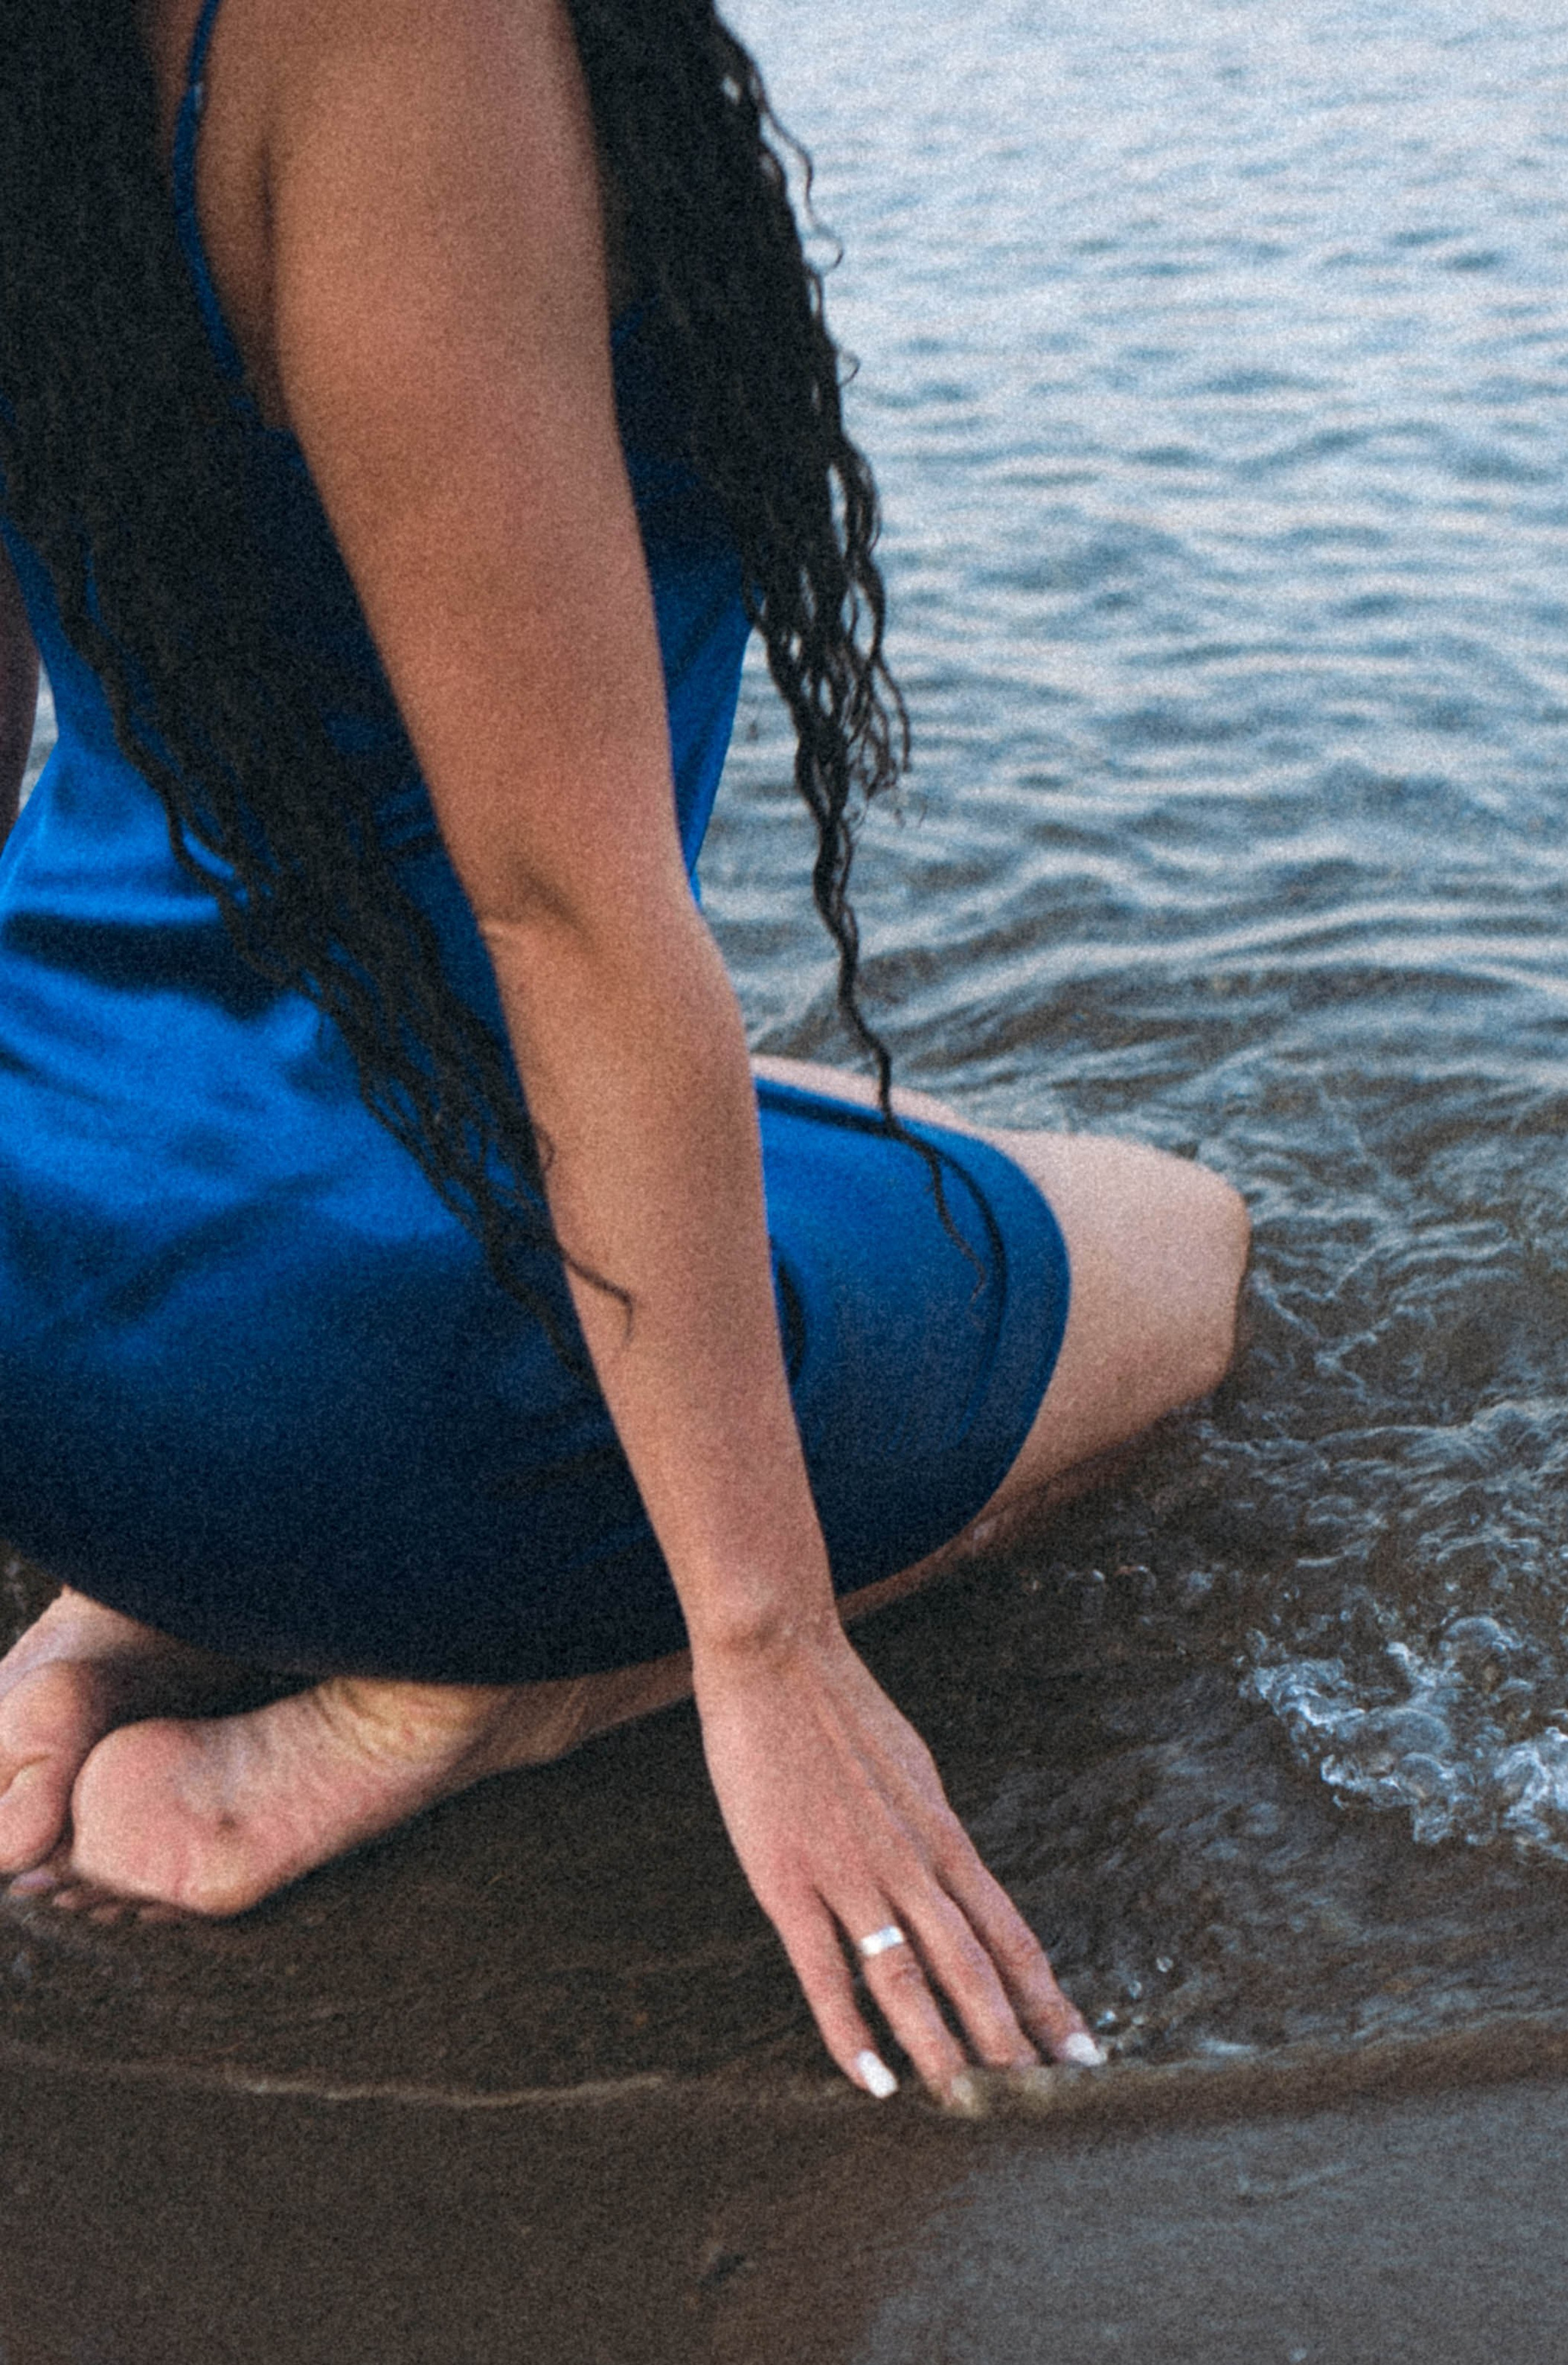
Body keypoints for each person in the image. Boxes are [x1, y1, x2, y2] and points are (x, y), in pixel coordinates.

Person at [0, 0, 1247, 2101]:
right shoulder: (400, 35)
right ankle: (466, 1696)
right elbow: (558, 903)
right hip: (380, 1352)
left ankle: (120, 1610)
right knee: (1184, 1247)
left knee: (809, 1131)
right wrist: (772, 1650)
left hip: (44, 1291)